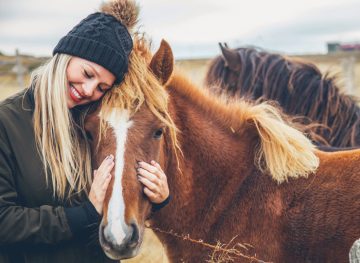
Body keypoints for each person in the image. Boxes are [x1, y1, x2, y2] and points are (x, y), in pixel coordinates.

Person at [0, 1, 169, 262]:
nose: (90, 90)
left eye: (102, 87)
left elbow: (117, 186)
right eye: (87, 73)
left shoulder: (92, 120)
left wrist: (158, 198)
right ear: (65, 57)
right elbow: (4, 221)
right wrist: (84, 214)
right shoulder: (7, 123)